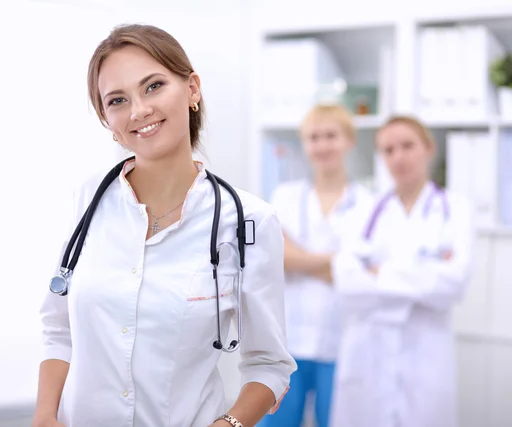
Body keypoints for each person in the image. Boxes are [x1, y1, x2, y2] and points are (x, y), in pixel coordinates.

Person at [30, 24, 297, 427]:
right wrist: (44, 415)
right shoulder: (88, 201)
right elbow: (58, 330)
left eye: (153, 86)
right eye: (117, 100)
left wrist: (228, 425)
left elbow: (269, 364)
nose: (138, 110)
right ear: (107, 119)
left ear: (191, 89)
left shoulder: (247, 221)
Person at [330, 116, 474, 427]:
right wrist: (422, 276)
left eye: (407, 146)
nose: (399, 157)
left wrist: (378, 272)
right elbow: (347, 281)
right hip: (369, 352)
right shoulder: (364, 211)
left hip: (426, 352)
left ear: (428, 148)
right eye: (388, 150)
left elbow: (454, 282)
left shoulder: (455, 209)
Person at [257, 104, 374, 427]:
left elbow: (368, 275)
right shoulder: (285, 196)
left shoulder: (369, 204)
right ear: (304, 144)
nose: (322, 145)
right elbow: (275, 256)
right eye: (314, 138)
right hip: (289, 341)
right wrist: (343, 264)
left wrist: (299, 258)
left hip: (342, 340)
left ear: (349, 140)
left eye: (331, 136)